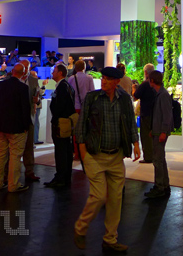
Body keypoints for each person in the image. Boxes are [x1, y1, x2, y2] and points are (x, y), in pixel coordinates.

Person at [73, 66, 140, 253]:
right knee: (99, 196)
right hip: (95, 156)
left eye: (108, 79)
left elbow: (130, 123)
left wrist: (135, 143)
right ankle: (81, 227)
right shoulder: (92, 98)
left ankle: (110, 239)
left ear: (117, 82)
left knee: (115, 199)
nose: (103, 81)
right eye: (103, 78)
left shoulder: (124, 99)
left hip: (116, 157)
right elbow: (81, 126)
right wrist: (83, 153)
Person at [0, 63, 32, 193]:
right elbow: (25, 108)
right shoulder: (23, 88)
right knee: (15, 156)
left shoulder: (0, 85)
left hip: (1, 125)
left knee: (1, 154)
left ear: (12, 71)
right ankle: (13, 184)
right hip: (17, 127)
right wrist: (26, 126)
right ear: (23, 73)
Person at [46, 64, 75, 188]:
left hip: (60, 123)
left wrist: (56, 115)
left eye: (54, 71)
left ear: (60, 73)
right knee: (66, 150)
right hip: (65, 122)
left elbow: (59, 106)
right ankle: (65, 176)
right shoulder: (67, 86)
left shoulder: (62, 87)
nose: (52, 73)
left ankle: (60, 177)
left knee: (61, 150)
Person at [145, 70, 173, 199]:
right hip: (158, 131)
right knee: (160, 159)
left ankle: (159, 186)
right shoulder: (160, 94)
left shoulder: (162, 95)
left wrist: (163, 131)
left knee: (157, 160)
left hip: (160, 132)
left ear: (152, 80)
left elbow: (167, 115)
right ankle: (164, 185)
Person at [133, 63, 157, 163]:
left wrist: (134, 89)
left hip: (146, 113)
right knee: (154, 135)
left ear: (146, 72)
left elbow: (136, 96)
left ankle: (148, 157)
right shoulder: (157, 84)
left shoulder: (144, 84)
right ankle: (155, 155)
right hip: (155, 113)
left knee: (146, 136)